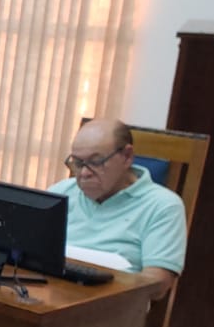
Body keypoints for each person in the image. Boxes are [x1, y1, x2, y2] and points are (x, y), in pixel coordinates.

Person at [49, 118, 187, 295]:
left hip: (113, 304)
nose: (84, 173)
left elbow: (157, 286)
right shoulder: (61, 192)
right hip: (52, 297)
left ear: (127, 156)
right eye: (77, 163)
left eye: (96, 161)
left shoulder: (163, 206)